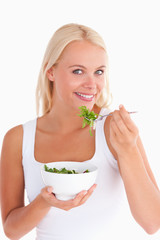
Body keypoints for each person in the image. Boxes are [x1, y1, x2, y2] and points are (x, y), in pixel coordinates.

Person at [0, 23, 160, 240]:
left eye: (99, 72)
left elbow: (152, 223)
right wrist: (44, 201)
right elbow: (11, 230)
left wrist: (129, 150)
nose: (92, 84)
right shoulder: (18, 138)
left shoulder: (115, 131)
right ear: (51, 71)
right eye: (78, 71)